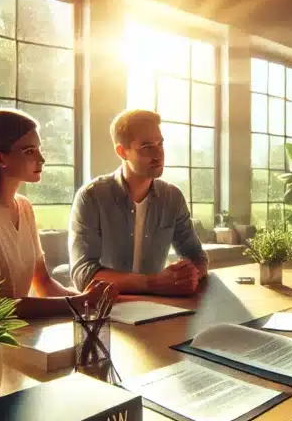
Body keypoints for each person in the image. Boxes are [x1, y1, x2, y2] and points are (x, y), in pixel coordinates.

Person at [0, 108, 114, 317]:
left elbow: (43, 284)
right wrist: (80, 302)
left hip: (18, 334)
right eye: (29, 151)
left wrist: (92, 302)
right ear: (0, 158)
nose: (41, 159)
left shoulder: (24, 207)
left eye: (38, 149)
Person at [69, 109, 208, 296]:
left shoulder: (172, 197)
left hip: (161, 306)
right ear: (122, 151)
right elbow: (83, 274)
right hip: (108, 309)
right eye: (147, 146)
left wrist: (187, 276)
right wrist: (153, 283)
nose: (159, 154)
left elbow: (196, 256)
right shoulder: (92, 198)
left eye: (160, 144)